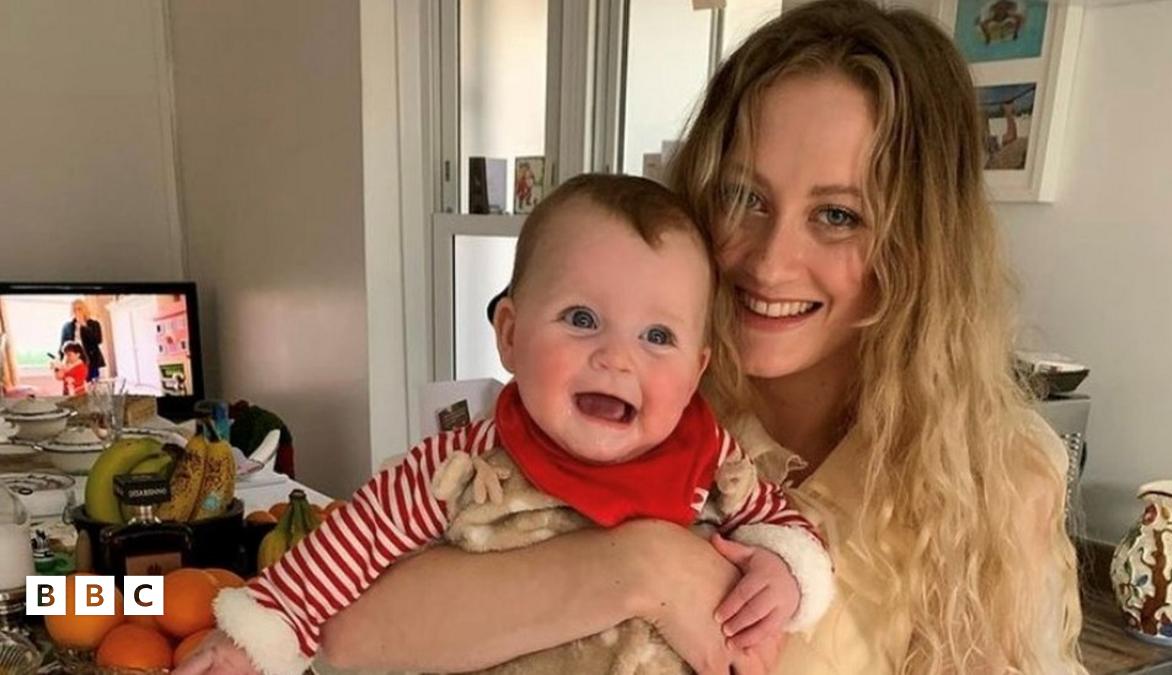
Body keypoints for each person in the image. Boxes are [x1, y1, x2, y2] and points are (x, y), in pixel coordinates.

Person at [194, 1, 1087, 673]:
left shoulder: (994, 480)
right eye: (745, 196)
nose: (770, 260)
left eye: (839, 215)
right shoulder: (616, 395)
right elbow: (353, 634)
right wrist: (645, 564)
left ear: (918, 245)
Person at [179, 175, 834, 675]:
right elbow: (353, 540)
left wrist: (784, 573)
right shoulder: (466, 462)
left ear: (696, 371)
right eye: (582, 319)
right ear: (511, 336)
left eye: (657, 336)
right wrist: (254, 636)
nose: (617, 357)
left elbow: (781, 525)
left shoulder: (710, 459)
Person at [59, 299, 105, 382]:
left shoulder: (94, 324)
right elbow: (63, 346)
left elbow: (98, 340)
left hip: (91, 360)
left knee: (92, 385)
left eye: (79, 309)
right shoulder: (67, 327)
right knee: (75, 385)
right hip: (73, 362)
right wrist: (61, 363)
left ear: (85, 310)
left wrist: (84, 325)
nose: (77, 311)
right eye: (74, 309)